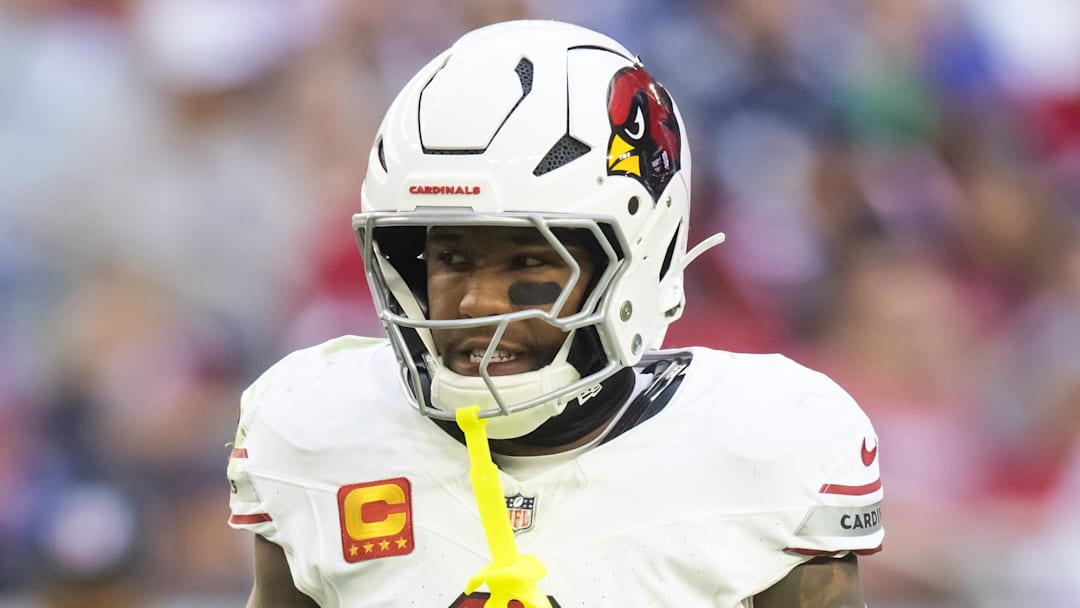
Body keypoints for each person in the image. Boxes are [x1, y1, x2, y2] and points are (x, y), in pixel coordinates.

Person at [227, 20, 883, 607]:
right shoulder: (317, 433)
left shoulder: (760, 447)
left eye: (528, 264)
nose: (478, 302)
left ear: (640, 254)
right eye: (451, 257)